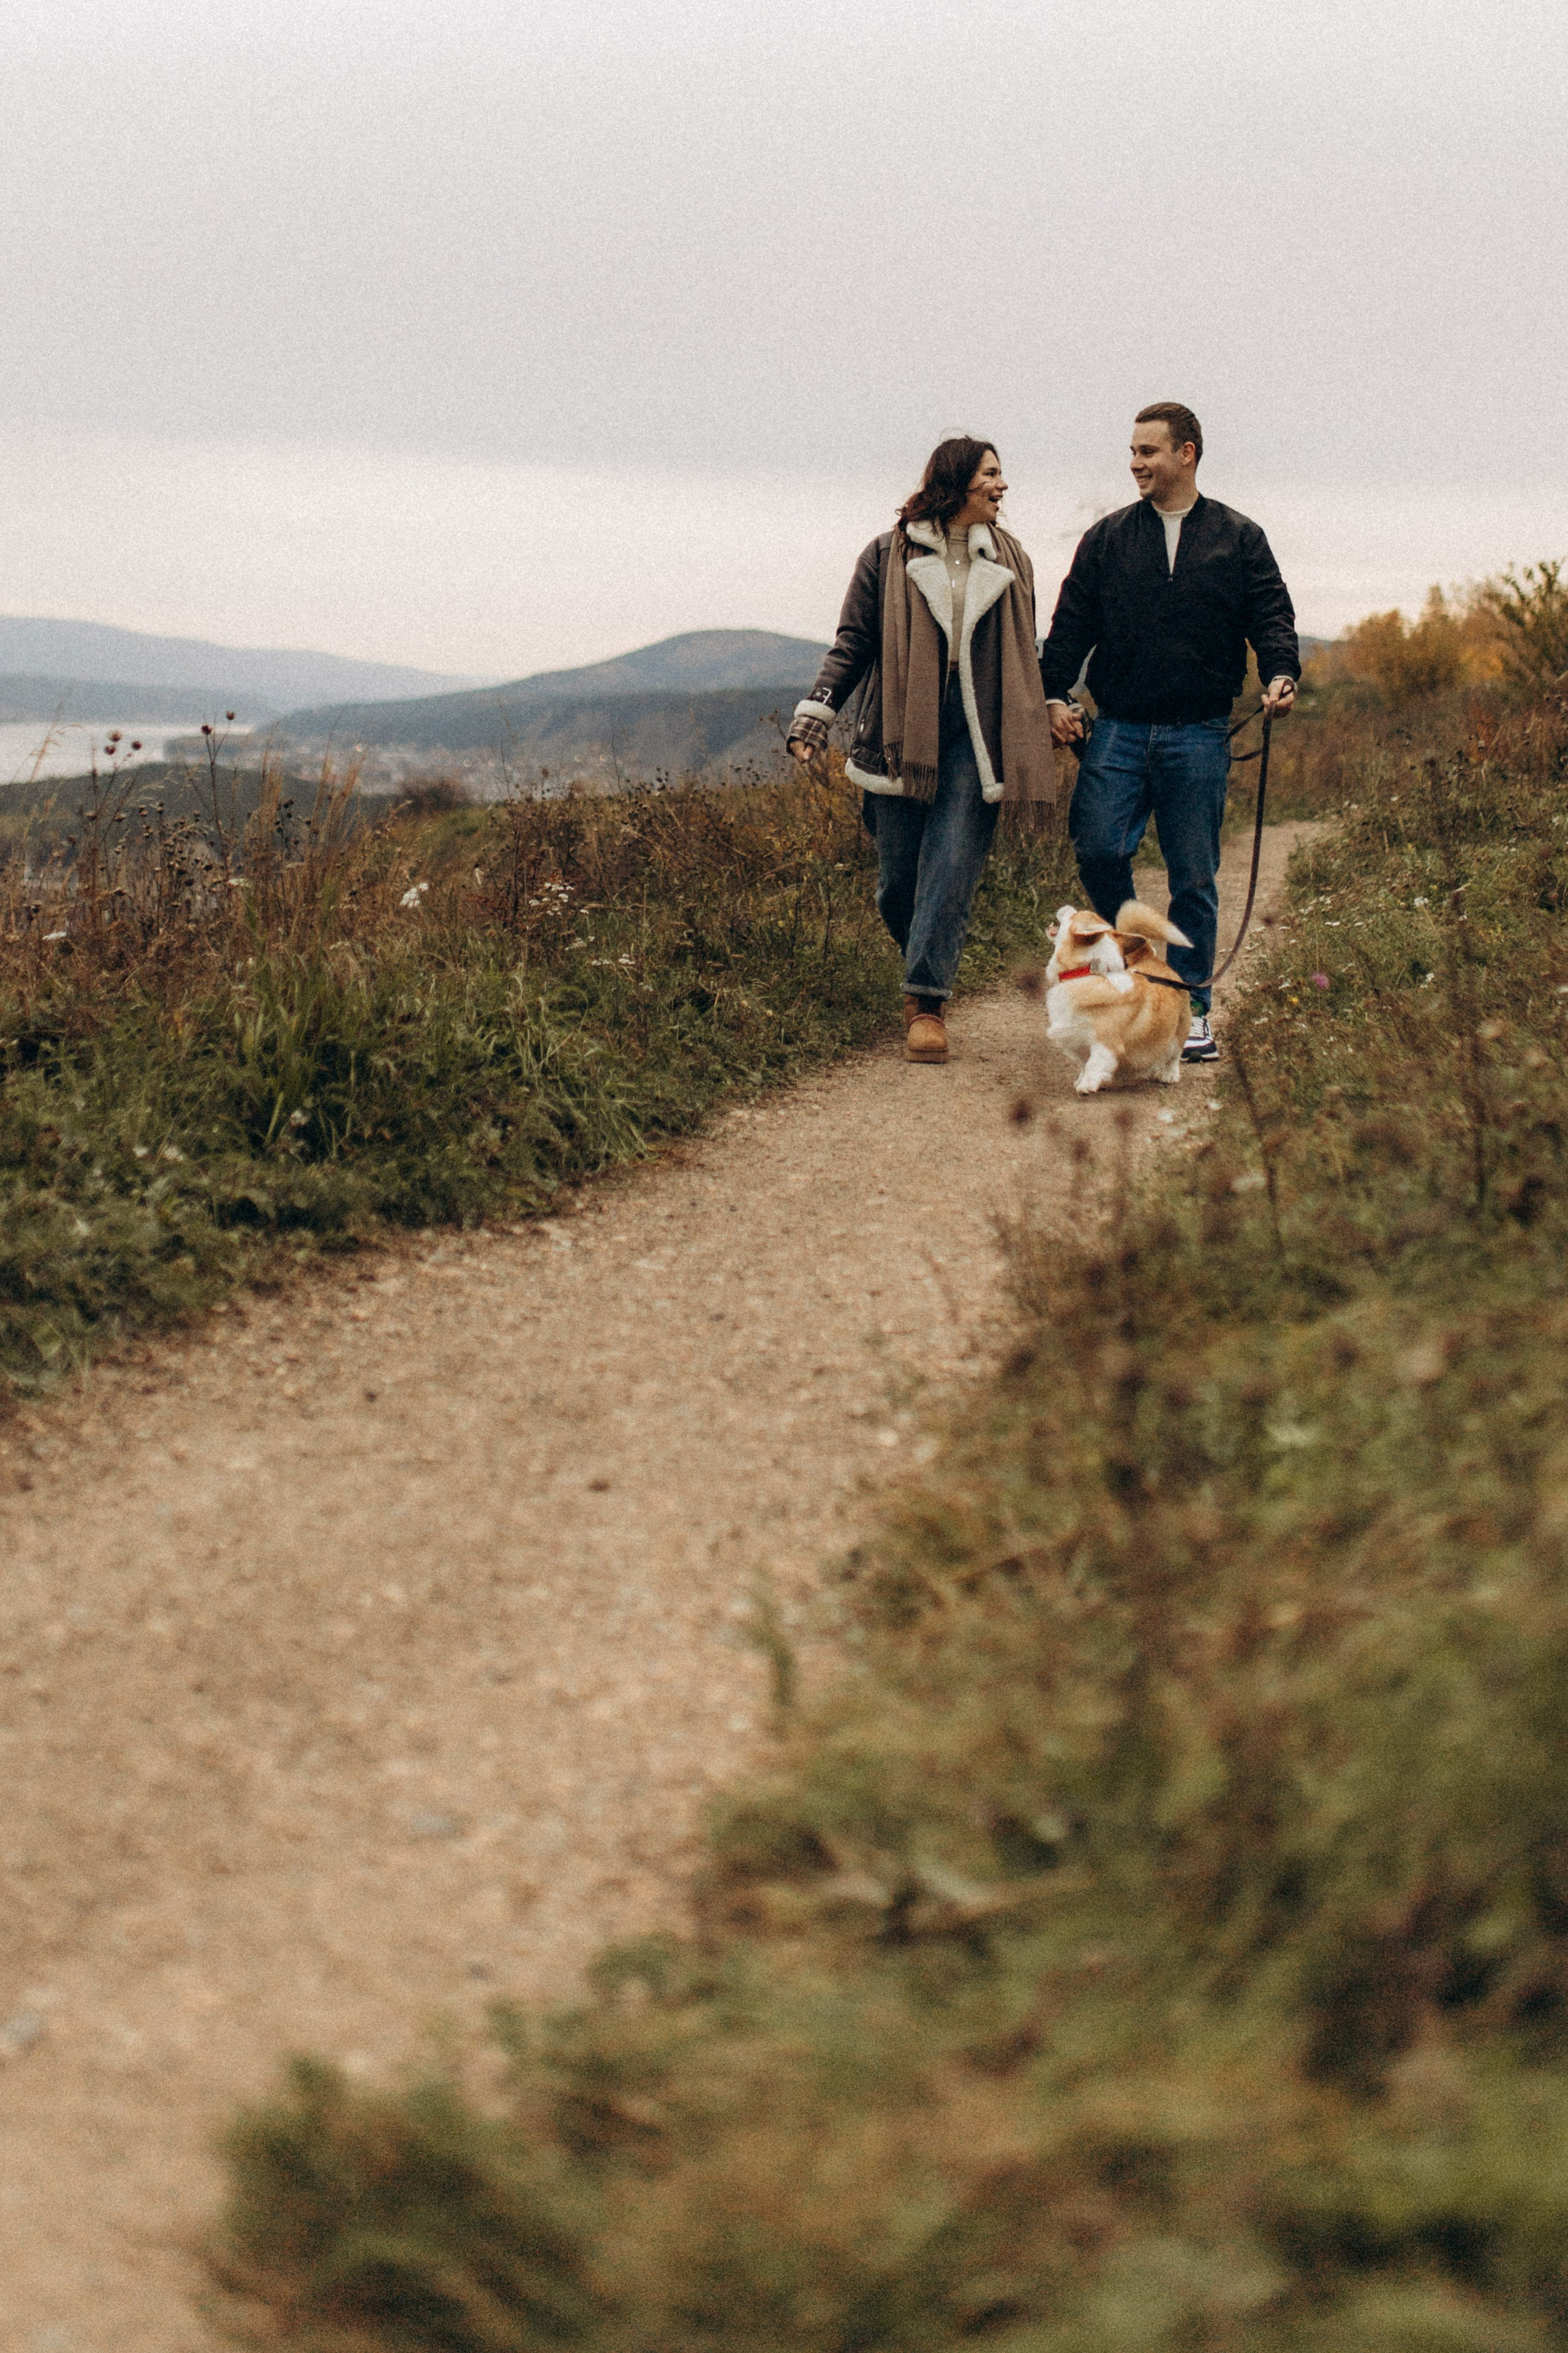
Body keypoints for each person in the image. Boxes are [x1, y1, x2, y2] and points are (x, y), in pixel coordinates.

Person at [1038, 402, 1300, 1063]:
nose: (1135, 463)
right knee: (1097, 847)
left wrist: (1280, 675)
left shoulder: (1239, 538)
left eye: (1148, 451)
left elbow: (1271, 616)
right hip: (1117, 730)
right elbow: (1069, 626)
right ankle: (1136, 955)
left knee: (1193, 877)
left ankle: (1193, 1011)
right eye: (1131, 452)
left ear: (1186, 453)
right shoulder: (1105, 540)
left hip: (1200, 733)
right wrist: (1051, 693)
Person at [786, 437, 1056, 1064]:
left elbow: (1028, 652)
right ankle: (928, 956)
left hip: (979, 732)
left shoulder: (1013, 558)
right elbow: (852, 642)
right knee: (896, 883)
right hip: (900, 732)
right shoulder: (886, 554)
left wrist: (1050, 707)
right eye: (992, 474)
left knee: (951, 865)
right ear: (958, 481)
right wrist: (815, 715)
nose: (1003, 485)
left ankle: (926, 1003)